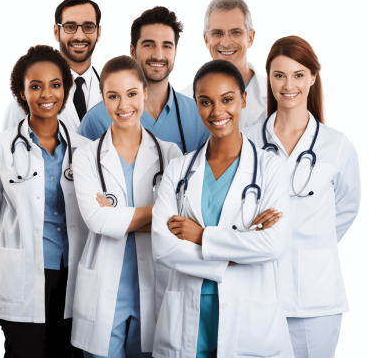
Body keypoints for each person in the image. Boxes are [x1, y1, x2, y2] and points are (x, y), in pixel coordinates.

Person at [152, 59, 294, 358]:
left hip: (249, 319)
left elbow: (272, 244)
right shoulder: (178, 171)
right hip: (188, 318)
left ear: (243, 99)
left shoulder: (271, 169)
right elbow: (163, 248)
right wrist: (236, 254)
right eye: (206, 102)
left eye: (227, 99)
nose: (217, 112)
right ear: (196, 105)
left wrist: (202, 236)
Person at [242, 36, 360, 358]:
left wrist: (313, 244)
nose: (288, 84)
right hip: (259, 290)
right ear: (269, 78)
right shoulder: (248, 142)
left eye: (298, 74)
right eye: (279, 75)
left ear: (312, 77)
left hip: (316, 297)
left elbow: (347, 208)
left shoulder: (336, 145)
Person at [70, 56, 182, 357]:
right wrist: (157, 215)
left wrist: (115, 217)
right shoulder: (85, 156)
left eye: (132, 93)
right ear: (102, 99)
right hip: (105, 291)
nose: (124, 105)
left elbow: (178, 223)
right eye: (113, 96)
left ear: (145, 93)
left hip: (154, 284)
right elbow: (97, 221)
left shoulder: (171, 155)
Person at [0, 45, 89, 357]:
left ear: (66, 89)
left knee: (66, 352)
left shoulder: (84, 149)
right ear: (21, 91)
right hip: (25, 273)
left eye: (55, 84)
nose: (47, 94)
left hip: (72, 272)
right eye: (35, 86)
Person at [79, 6, 209, 154]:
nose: (158, 55)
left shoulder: (198, 115)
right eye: (149, 45)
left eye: (166, 46)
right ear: (133, 51)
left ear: (175, 52)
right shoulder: (96, 120)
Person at [2, 0, 102, 132]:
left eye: (88, 27)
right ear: (56, 32)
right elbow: (8, 148)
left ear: (98, 32)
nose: (79, 36)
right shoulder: (24, 100)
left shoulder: (113, 95)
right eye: (70, 27)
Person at [180, 0, 267, 129]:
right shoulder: (184, 102)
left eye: (236, 32)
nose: (226, 43)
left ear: (250, 38)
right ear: (206, 39)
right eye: (217, 33)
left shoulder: (275, 95)